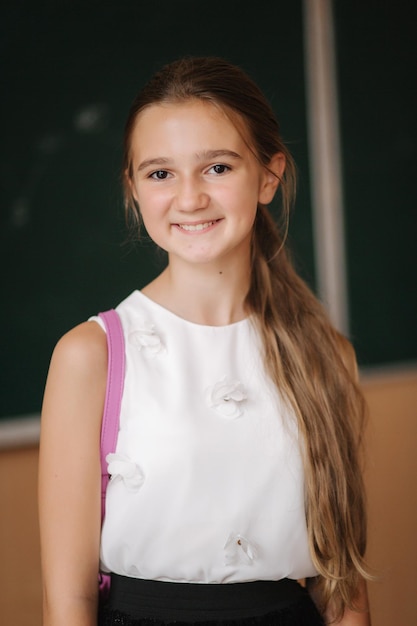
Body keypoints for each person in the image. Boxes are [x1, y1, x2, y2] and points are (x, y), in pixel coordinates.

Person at [38, 56, 372, 626]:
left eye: (217, 167)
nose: (189, 199)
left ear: (269, 177)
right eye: (161, 173)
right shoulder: (90, 356)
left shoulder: (326, 355)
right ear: (134, 189)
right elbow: (67, 601)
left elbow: (342, 590)